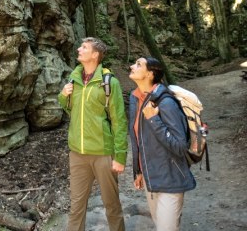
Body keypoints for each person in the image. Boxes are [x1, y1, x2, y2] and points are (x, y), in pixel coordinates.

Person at [59, 37, 128, 231]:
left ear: (95, 54)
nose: (79, 49)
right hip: (77, 154)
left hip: (103, 153)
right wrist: (63, 95)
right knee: (76, 207)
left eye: (84, 47)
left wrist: (120, 156)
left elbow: (119, 121)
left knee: (112, 205)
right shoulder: (74, 80)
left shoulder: (108, 83)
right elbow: (69, 109)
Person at [128, 56, 196, 231]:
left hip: (170, 179)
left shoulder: (166, 103)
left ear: (150, 74)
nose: (131, 66)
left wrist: (153, 120)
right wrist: (138, 170)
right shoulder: (136, 99)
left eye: (138, 64)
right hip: (151, 179)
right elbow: (138, 140)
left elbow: (180, 146)